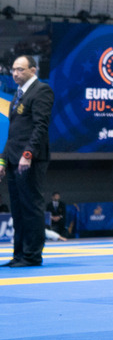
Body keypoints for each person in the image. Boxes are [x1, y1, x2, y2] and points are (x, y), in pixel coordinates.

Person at [1, 55, 54, 267]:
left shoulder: (42, 91)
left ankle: (32, 255)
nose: (15, 73)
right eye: (13, 69)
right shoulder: (17, 95)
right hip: (14, 158)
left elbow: (40, 127)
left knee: (31, 206)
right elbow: (13, 134)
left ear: (33, 70)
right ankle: (19, 254)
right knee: (18, 208)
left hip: (30, 159)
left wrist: (28, 154)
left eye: (20, 69)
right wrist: (3, 161)